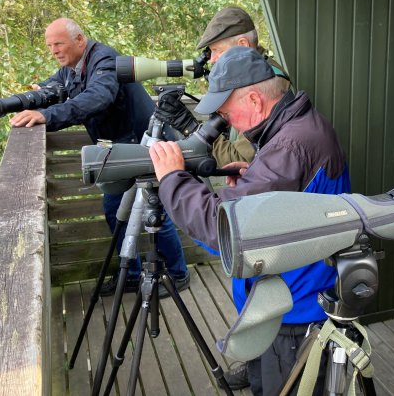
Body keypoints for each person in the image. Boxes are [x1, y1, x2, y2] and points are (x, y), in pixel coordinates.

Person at [148, 46, 351, 395]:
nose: (227, 123)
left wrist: (172, 181)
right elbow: (287, 199)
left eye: (227, 113)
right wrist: (253, 180)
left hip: (291, 315)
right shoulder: (296, 128)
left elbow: (225, 230)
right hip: (284, 302)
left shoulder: (290, 146)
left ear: (255, 101)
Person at [10, 17, 190, 297]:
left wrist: (45, 116)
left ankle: (178, 274)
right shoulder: (71, 68)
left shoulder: (105, 60)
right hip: (120, 148)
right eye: (49, 45)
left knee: (153, 211)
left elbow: (97, 98)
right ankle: (131, 275)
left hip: (147, 145)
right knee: (114, 210)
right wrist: (34, 98)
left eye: (59, 43)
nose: (54, 50)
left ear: (79, 40)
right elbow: (54, 86)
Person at [195, 6, 291, 166]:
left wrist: (193, 130)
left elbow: (239, 159)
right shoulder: (247, 77)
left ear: (243, 44)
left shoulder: (268, 83)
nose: (212, 59)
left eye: (217, 50)